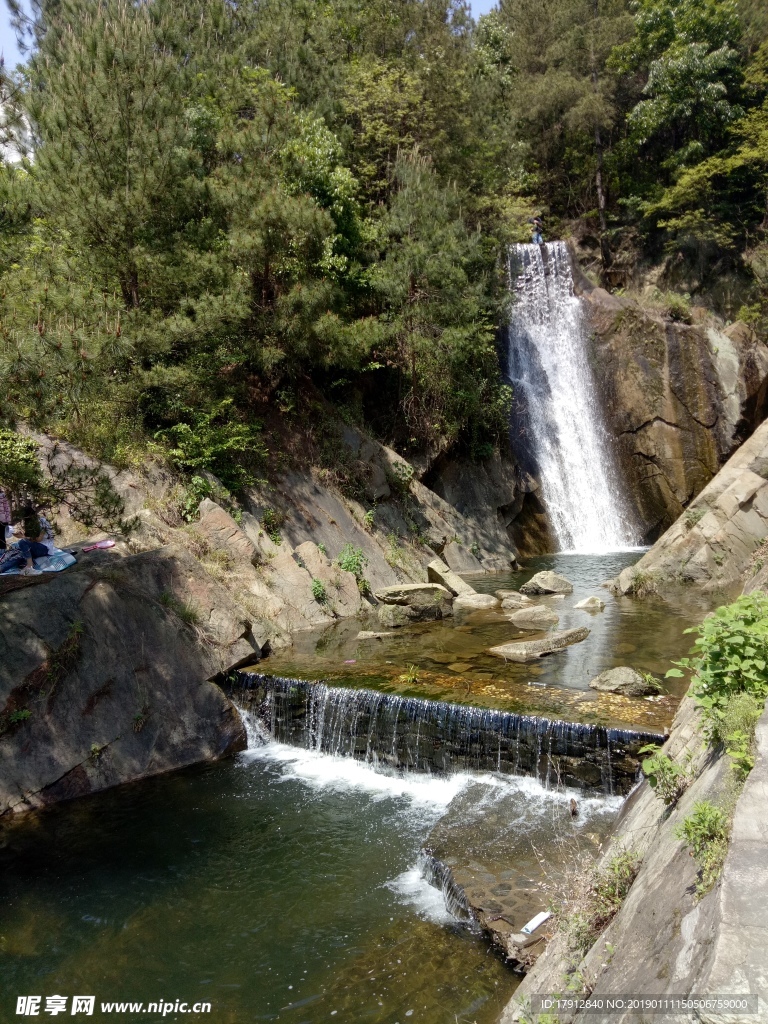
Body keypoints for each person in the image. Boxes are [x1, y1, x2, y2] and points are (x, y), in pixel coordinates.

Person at [14, 507, 51, 576]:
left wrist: (23, 537)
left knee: (22, 542)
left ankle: (30, 566)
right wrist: (21, 534)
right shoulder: (30, 524)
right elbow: (30, 539)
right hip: (35, 547)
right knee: (17, 552)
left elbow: (39, 539)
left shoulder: (42, 522)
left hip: (45, 548)